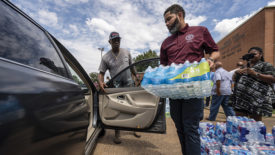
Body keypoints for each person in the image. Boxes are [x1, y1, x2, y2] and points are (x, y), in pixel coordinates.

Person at [160, 4, 220, 155]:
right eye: (165, 21)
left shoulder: (200, 31)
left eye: (169, 19)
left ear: (180, 15)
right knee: (180, 128)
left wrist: (211, 60)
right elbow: (163, 67)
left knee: (190, 128)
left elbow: (215, 51)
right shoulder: (166, 43)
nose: (166, 23)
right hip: (175, 91)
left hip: (193, 88)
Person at [98, 32, 140, 144]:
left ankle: (135, 127)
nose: (117, 41)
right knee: (118, 108)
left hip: (129, 84)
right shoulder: (106, 57)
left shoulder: (126, 52)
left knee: (133, 106)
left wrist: (136, 75)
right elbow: (101, 73)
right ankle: (117, 132)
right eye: (114, 40)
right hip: (117, 87)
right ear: (109, 42)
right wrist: (101, 82)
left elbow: (132, 66)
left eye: (118, 39)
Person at [232, 47, 275, 121]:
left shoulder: (266, 65)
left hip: (256, 99)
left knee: (255, 123)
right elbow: (234, 79)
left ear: (261, 55)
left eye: (254, 54)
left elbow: (272, 79)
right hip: (241, 98)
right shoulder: (244, 66)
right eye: (250, 54)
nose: (251, 56)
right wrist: (236, 73)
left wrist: (255, 73)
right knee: (240, 122)